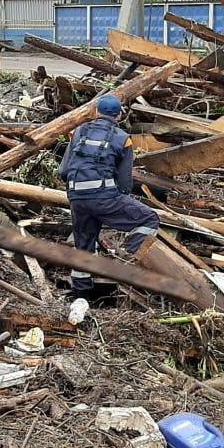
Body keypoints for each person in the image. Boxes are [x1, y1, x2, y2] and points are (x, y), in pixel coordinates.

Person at [57, 95, 159, 300]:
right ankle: (128, 256)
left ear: (96, 112)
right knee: (149, 219)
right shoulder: (123, 139)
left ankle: (81, 294)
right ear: (119, 115)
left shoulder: (78, 133)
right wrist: (115, 200)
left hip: (76, 197)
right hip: (104, 197)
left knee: (83, 244)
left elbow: (63, 171)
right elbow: (124, 183)